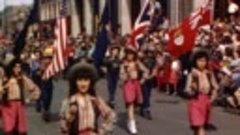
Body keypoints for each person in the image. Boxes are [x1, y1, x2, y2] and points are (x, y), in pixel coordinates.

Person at [60, 62, 116, 135]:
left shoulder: (95, 100)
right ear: (75, 82)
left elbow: (110, 115)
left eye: (86, 80)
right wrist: (70, 116)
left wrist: (102, 131)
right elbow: (63, 127)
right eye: (80, 80)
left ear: (90, 82)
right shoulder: (69, 101)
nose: (83, 84)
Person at [0, 59, 40, 135]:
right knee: (9, 129)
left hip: (19, 106)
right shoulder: (5, 79)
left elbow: (34, 89)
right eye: (16, 67)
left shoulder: (22, 78)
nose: (18, 69)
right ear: (12, 68)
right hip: (8, 106)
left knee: (20, 130)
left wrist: (30, 98)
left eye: (19, 67)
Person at [185, 50, 219, 135]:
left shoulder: (209, 74)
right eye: (199, 60)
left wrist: (213, 97)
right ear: (195, 61)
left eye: (204, 61)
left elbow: (215, 87)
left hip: (206, 102)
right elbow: (187, 89)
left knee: (199, 127)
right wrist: (192, 89)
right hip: (195, 102)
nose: (202, 63)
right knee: (199, 126)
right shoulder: (192, 74)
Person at [120, 48, 148, 135]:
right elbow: (121, 77)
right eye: (128, 53)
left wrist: (143, 79)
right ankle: (132, 125)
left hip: (136, 84)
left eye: (131, 54)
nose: (130, 55)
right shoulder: (124, 64)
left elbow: (146, 71)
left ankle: (130, 120)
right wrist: (126, 74)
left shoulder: (137, 63)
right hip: (127, 84)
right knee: (130, 103)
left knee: (135, 104)